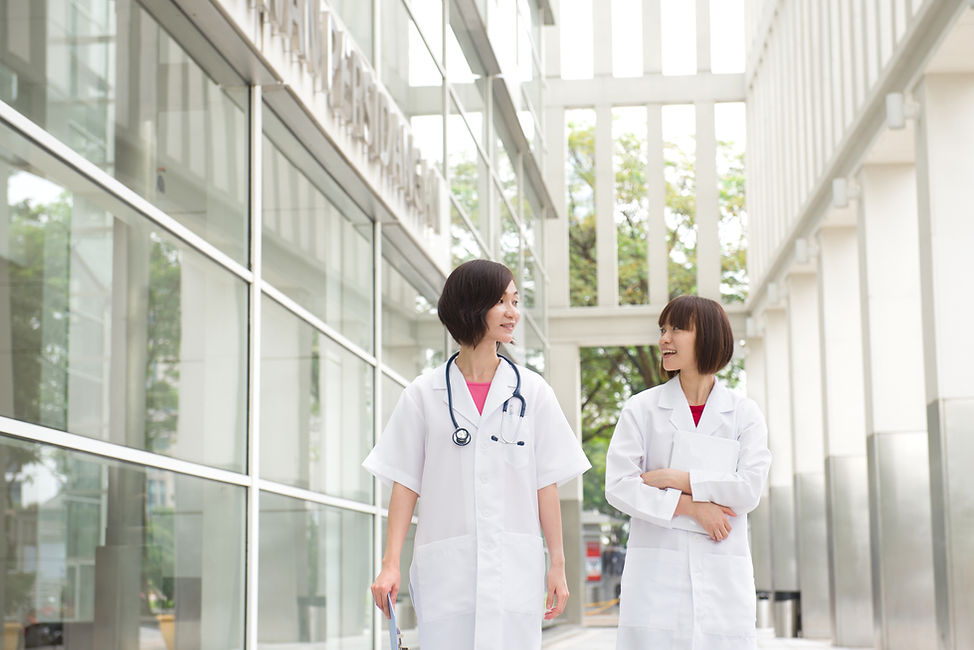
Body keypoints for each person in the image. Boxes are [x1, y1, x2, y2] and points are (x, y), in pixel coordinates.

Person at [365, 259, 591, 650]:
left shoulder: (533, 393)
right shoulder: (423, 394)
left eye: (515, 301)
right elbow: (405, 484)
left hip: (513, 569)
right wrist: (390, 564)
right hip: (448, 571)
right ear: (471, 306)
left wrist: (558, 563)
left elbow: (546, 484)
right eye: (500, 301)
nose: (513, 312)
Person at [605, 295, 772, 650]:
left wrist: (674, 479)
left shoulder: (743, 413)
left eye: (677, 328)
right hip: (656, 580)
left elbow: (747, 491)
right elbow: (619, 486)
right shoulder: (642, 409)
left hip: (721, 576)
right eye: (662, 330)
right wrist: (694, 507)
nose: (665, 338)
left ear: (708, 336)